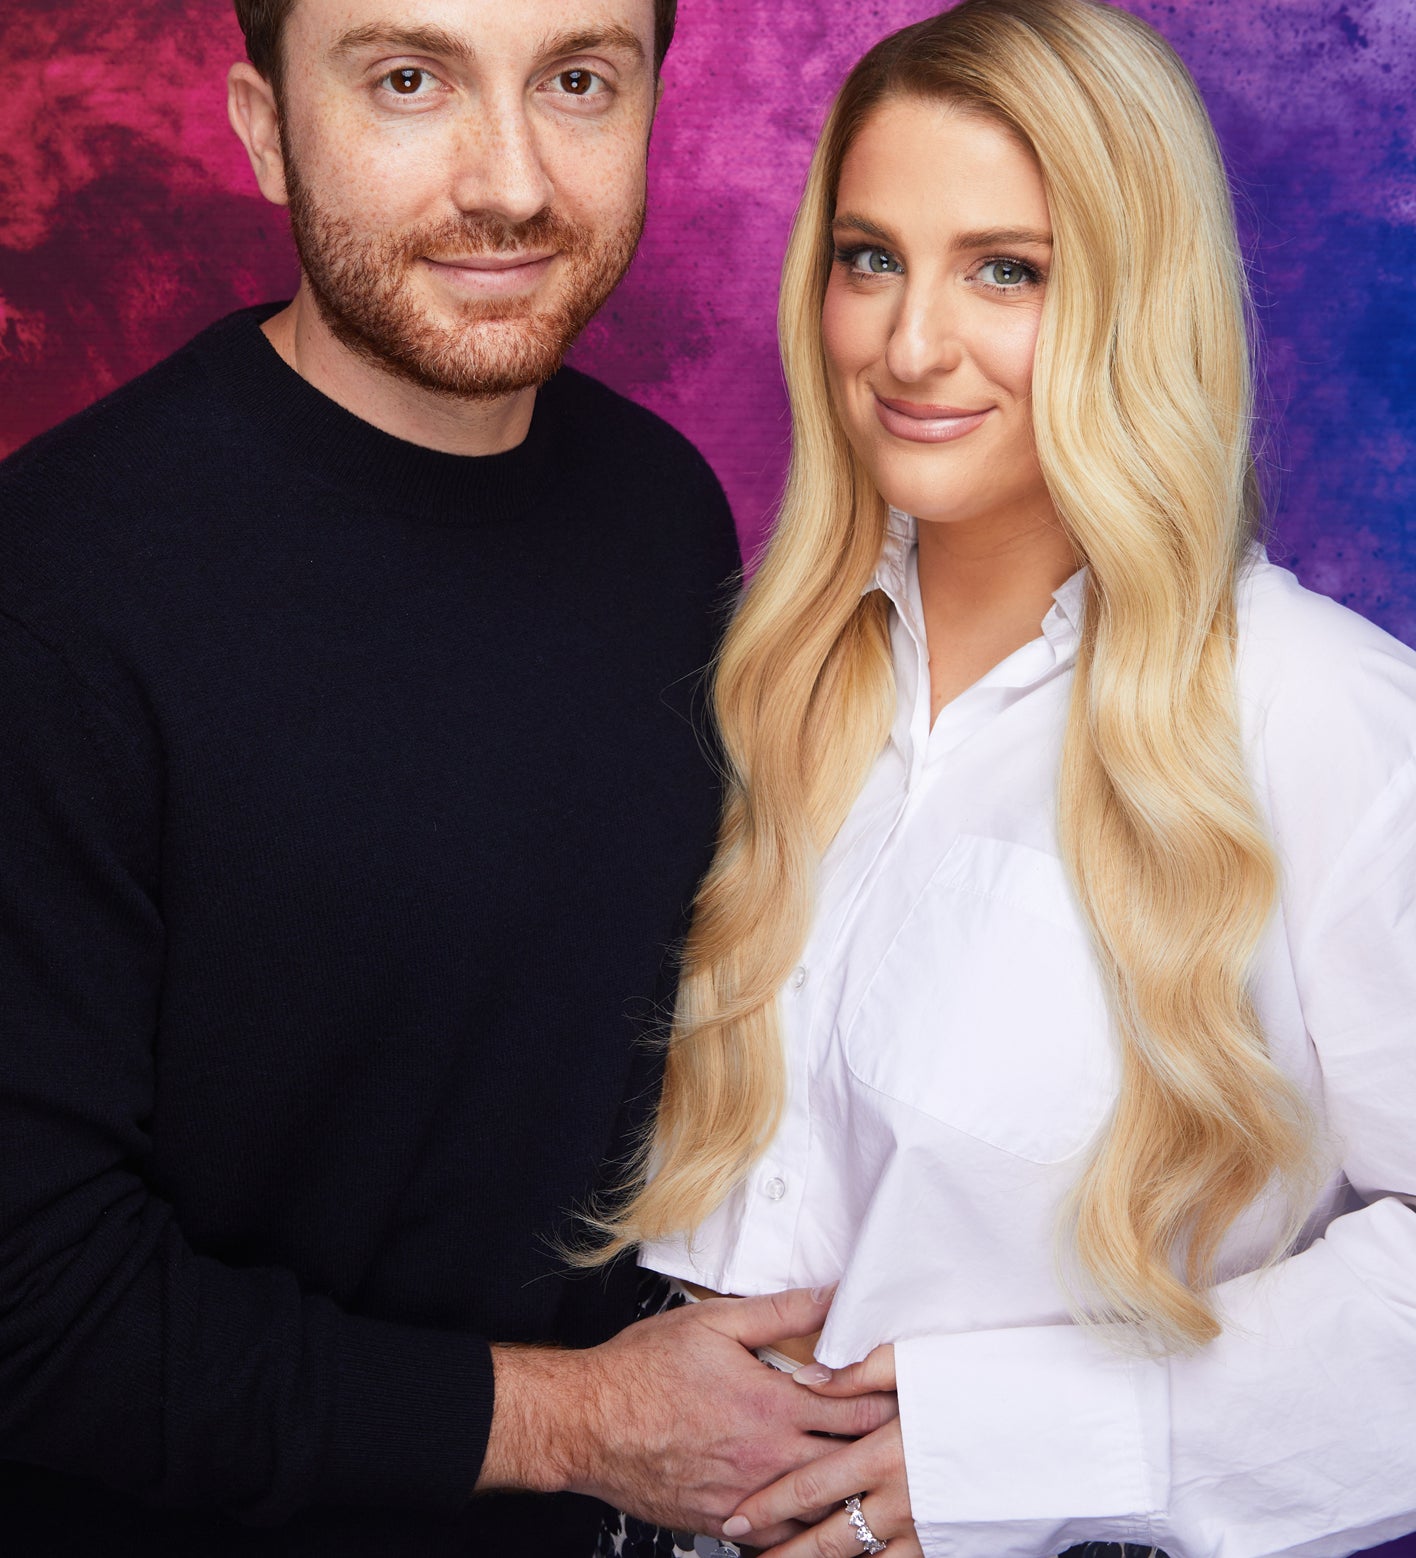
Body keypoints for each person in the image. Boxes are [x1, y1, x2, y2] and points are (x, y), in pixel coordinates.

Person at [0, 1, 899, 1553]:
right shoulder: (54, 592)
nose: (512, 182)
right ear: (265, 123)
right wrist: (589, 1423)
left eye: (576, 80)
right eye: (409, 80)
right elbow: (29, 1306)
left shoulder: (660, 511)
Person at [589, 2, 1416, 1555]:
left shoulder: (1323, 717)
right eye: (871, 256)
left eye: (1008, 270)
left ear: (1132, 294)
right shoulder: (770, 669)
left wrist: (1034, 1442)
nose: (911, 344)